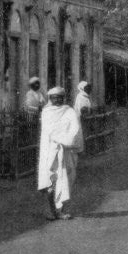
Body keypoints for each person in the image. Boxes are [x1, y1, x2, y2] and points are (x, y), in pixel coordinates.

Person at [37, 86, 84, 220]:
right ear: (50, 99)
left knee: (66, 181)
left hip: (66, 151)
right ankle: (52, 211)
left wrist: (65, 140)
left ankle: (62, 210)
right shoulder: (46, 112)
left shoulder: (69, 111)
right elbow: (48, 132)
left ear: (63, 98)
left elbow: (75, 129)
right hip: (50, 152)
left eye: (59, 97)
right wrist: (60, 137)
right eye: (54, 97)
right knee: (51, 182)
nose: (57, 100)